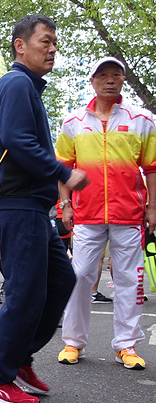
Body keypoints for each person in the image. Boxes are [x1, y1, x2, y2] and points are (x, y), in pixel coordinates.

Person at [0, 15, 89, 403]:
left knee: (61, 281)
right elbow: (19, 142)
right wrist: (64, 174)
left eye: (55, 42)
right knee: (25, 292)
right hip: (15, 204)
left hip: (34, 208)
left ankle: (19, 358)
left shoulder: (27, 88)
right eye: (45, 41)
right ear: (20, 46)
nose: (52, 48)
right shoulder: (17, 83)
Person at [56, 56, 156, 369]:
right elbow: (63, 167)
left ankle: (126, 345)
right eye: (103, 75)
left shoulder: (142, 119)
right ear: (92, 80)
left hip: (129, 214)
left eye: (116, 74)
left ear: (124, 80)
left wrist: (153, 206)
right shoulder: (73, 122)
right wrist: (65, 203)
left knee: (129, 278)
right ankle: (73, 341)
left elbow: (151, 167)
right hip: (86, 213)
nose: (110, 80)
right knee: (81, 274)